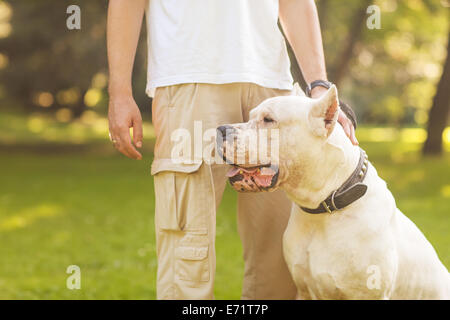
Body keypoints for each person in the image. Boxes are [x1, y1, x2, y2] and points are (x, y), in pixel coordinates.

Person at [107, 0, 358, 300]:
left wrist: (318, 84)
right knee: (187, 247)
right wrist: (119, 92)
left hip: (272, 86)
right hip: (188, 78)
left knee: (279, 253)